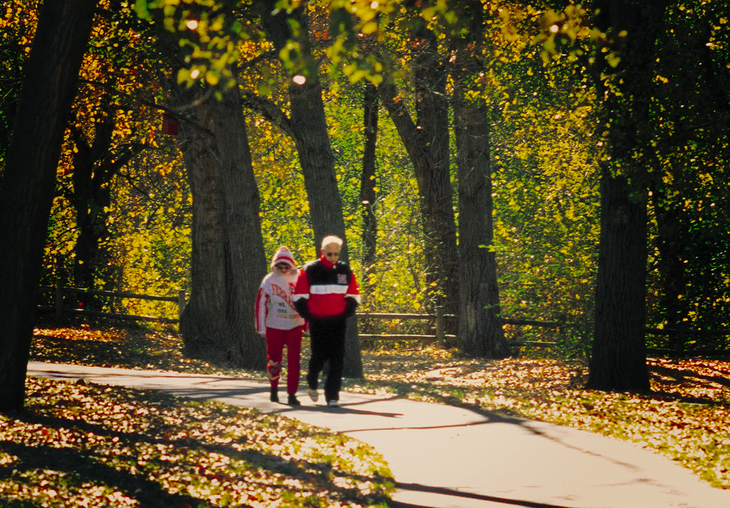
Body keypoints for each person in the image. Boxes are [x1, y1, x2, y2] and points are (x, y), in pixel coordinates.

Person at [293, 235, 360, 407]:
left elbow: (354, 296)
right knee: (319, 356)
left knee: (338, 358)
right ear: (322, 252)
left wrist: (344, 314)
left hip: (338, 321)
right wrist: (310, 316)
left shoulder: (345, 270)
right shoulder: (310, 269)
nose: (333, 257)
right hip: (318, 321)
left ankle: (332, 396)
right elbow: (299, 297)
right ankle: (312, 380)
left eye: (336, 254)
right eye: (329, 254)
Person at [255, 246, 306, 406]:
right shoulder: (269, 280)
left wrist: (307, 324)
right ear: (275, 265)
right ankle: (274, 389)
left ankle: (292, 393)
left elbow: (306, 301)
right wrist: (261, 327)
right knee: (274, 359)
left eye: (286, 266)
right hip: (274, 325)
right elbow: (261, 304)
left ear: (291, 265)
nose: (283, 269)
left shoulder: (298, 278)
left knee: (294, 360)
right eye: (280, 266)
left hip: (294, 324)